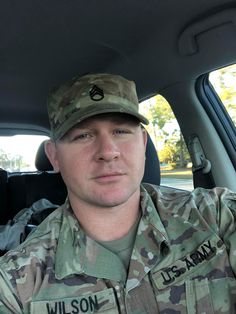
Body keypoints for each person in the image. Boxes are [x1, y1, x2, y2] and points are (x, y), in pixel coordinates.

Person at [0, 73, 235, 314]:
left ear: (143, 144)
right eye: (83, 135)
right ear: (54, 156)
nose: (108, 151)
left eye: (121, 131)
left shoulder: (216, 215)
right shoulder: (16, 279)